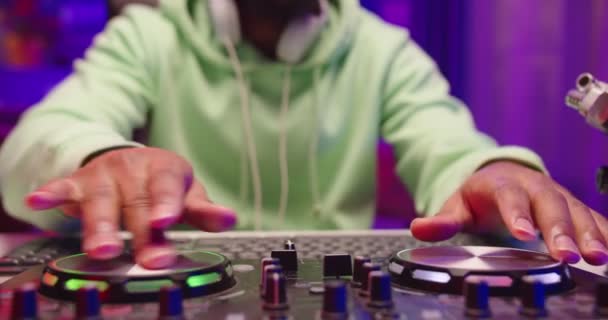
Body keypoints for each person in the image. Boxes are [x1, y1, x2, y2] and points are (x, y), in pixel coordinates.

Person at [1, 0, 606, 270]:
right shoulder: (149, 35)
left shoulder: (380, 48)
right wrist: (104, 157)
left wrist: (492, 171)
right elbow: (42, 138)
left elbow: (446, 139)